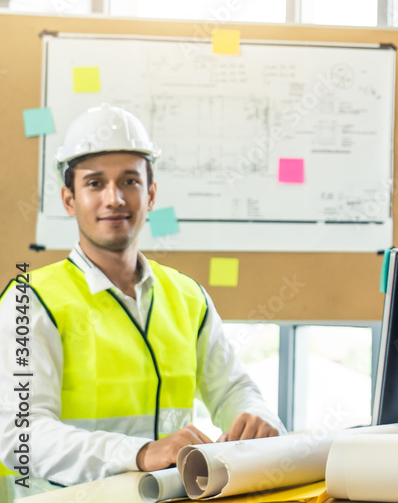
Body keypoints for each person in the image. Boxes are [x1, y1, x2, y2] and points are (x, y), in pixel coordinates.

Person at [0, 103, 284, 496]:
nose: (114, 198)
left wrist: (257, 416)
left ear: (151, 194)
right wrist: (140, 453)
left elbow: (234, 388)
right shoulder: (30, 300)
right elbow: (20, 436)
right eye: (95, 183)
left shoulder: (188, 296)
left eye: (130, 181)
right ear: (69, 200)